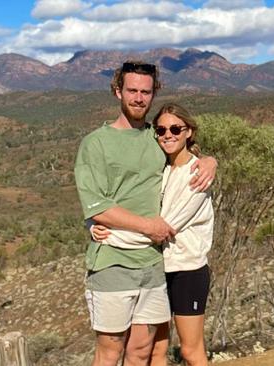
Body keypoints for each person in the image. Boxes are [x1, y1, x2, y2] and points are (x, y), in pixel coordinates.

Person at [74, 61, 216, 366]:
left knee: (141, 351)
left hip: (153, 264)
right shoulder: (96, 144)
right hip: (113, 259)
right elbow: (96, 204)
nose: (139, 98)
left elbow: (183, 153)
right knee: (110, 351)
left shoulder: (156, 138)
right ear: (117, 92)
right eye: (132, 90)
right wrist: (97, 224)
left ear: (154, 93)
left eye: (145, 92)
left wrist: (209, 160)